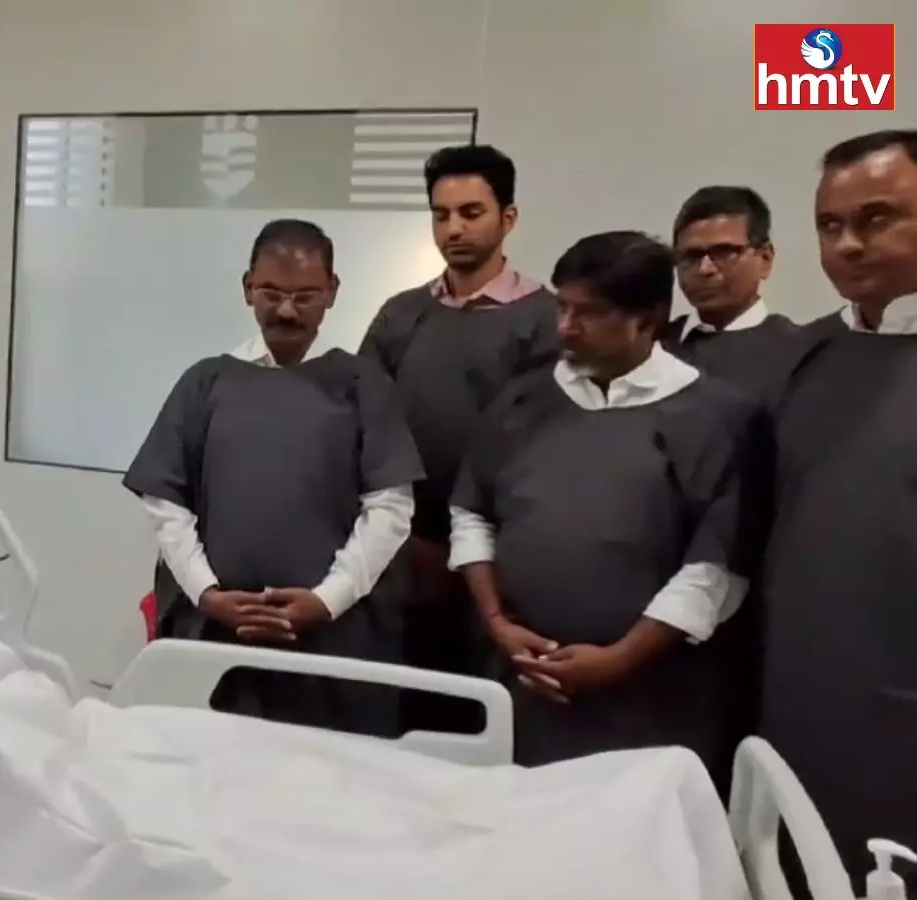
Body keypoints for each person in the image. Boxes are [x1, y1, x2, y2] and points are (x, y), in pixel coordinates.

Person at [447, 231, 766, 789]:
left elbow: (716, 568)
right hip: (522, 681)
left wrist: (619, 659)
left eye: (588, 313)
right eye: (562, 308)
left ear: (647, 321)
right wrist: (498, 623)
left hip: (650, 697)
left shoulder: (718, 418)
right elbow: (471, 512)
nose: (566, 328)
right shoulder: (523, 401)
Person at [125, 218, 423, 738]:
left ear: (332, 292)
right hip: (217, 634)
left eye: (304, 296)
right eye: (271, 293)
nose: (286, 310)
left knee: (324, 768)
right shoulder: (207, 382)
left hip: (333, 640)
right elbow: (166, 501)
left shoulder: (361, 384)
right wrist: (206, 594)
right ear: (247, 289)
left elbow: (391, 507)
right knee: (210, 760)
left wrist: (327, 599)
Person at [758, 129, 917, 886]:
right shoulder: (803, 358)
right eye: (829, 225)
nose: (848, 244)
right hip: (801, 694)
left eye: (876, 218)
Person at [357, 144, 558, 732]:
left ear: (508, 218)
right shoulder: (401, 315)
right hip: (403, 549)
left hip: (500, 559)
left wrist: (471, 545)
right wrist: (407, 533)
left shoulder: (545, 319)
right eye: (441, 215)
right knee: (399, 712)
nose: (454, 229)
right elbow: (366, 421)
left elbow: (543, 446)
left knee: (479, 717)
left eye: (471, 213)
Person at [661, 186, 800, 396]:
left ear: (765, 258)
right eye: (691, 256)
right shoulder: (653, 347)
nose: (705, 269)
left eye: (723, 252)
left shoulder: (799, 352)